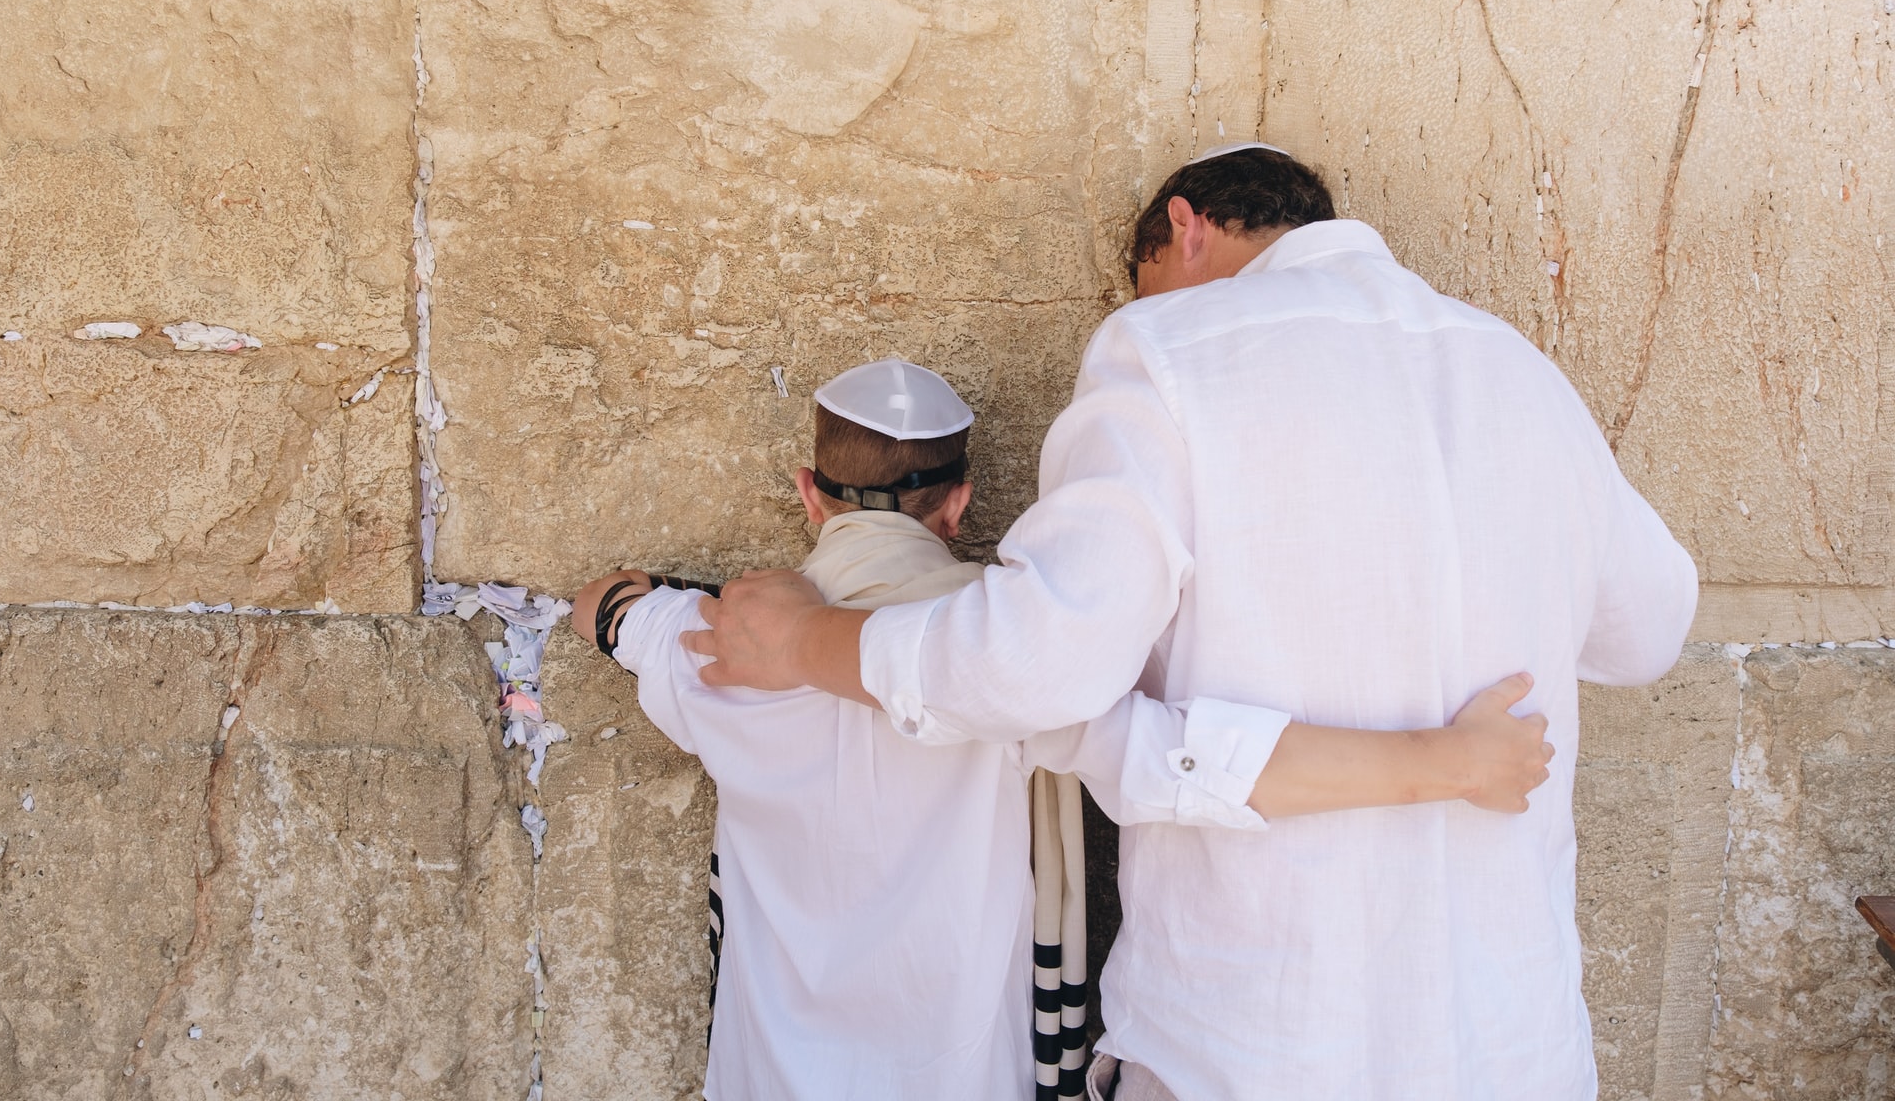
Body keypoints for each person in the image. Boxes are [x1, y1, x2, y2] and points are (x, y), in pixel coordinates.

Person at [684, 145, 1701, 1101]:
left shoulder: (1169, 350)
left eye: (1144, 278)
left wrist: (804, 642)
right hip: (1511, 1044)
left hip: (1252, 1039)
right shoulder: (1518, 368)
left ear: (1186, 226)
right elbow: (1649, 628)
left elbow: (1034, 663)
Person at [576, 354, 1556, 1101]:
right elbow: (1194, 763)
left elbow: (603, 607)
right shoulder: (1012, 657)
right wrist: (1452, 761)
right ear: (959, 503)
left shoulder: (713, 647)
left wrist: (669, 600)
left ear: (807, 490)